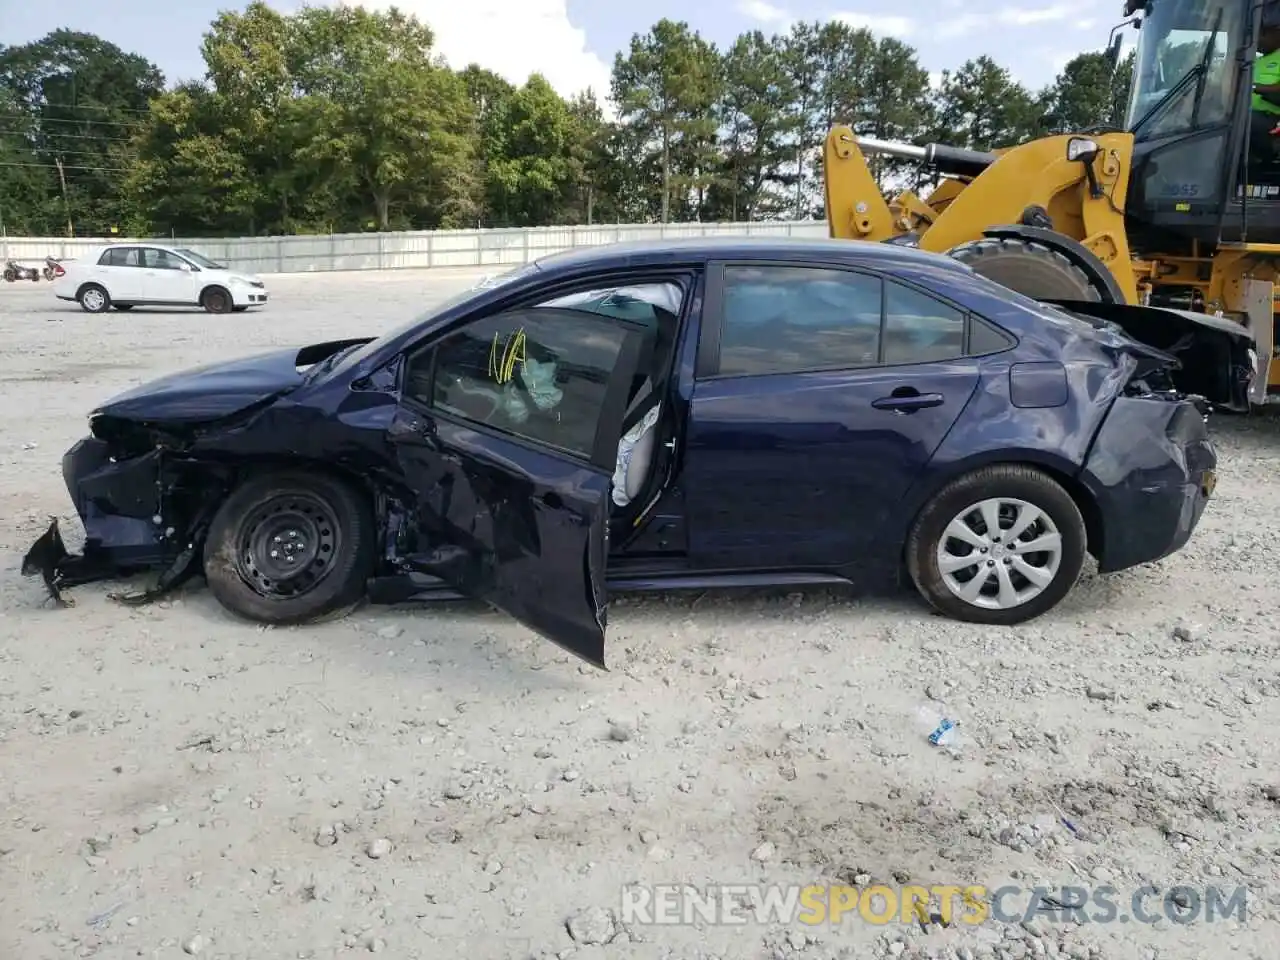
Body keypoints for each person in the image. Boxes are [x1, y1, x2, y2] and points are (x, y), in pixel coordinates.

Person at [1250, 8, 1280, 174]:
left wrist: (1253, 87)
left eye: (1261, 34)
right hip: (1251, 117)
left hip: (1273, 120)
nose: (1257, 39)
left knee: (1242, 123)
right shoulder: (1257, 61)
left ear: (1277, 32)